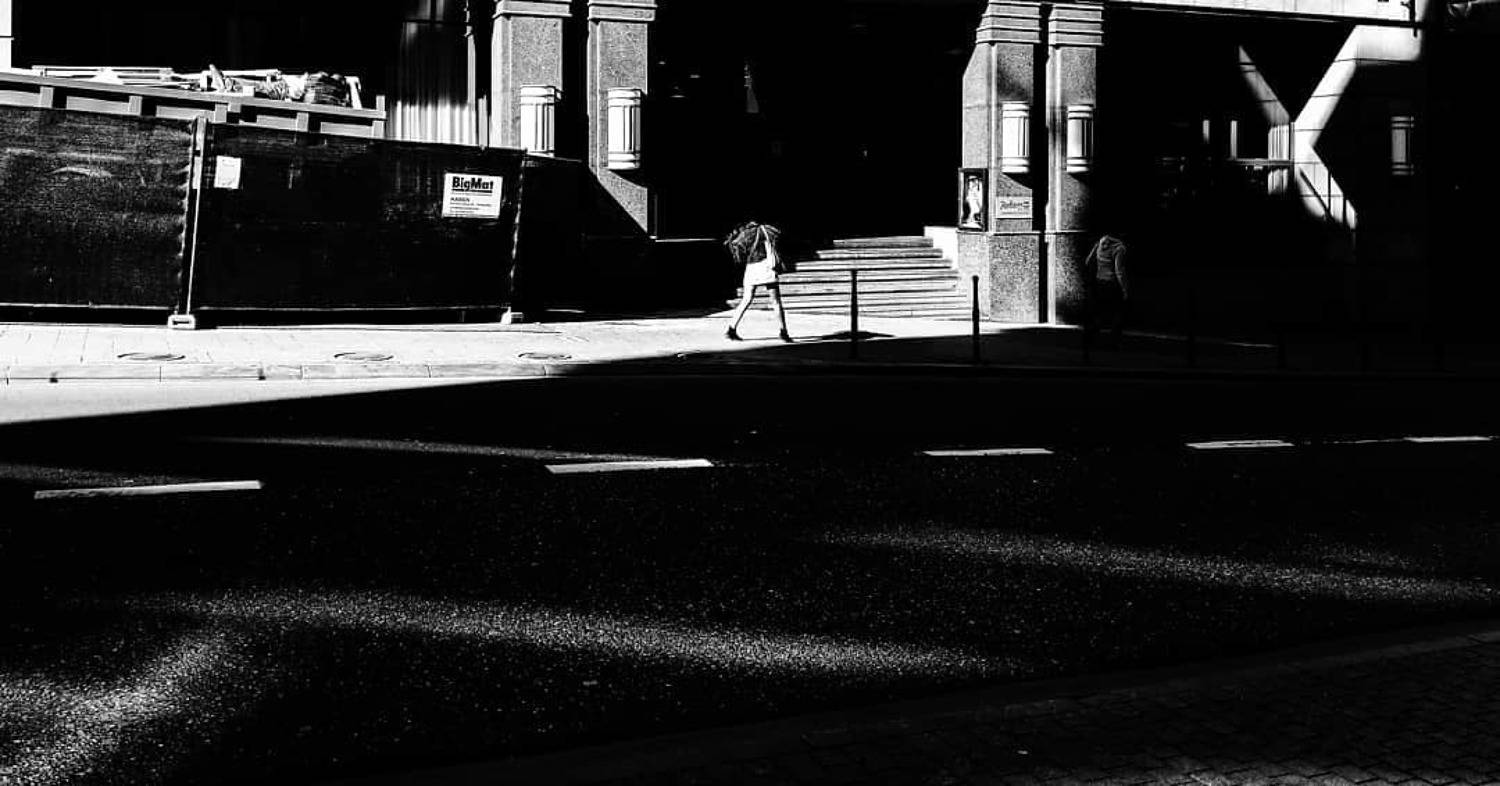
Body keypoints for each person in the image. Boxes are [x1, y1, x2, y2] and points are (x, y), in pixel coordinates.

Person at [724, 221, 792, 342]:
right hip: (766, 266)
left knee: (746, 299)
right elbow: (778, 238)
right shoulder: (766, 230)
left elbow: (737, 248)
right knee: (775, 301)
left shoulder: (745, 233)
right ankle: (783, 332)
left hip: (751, 268)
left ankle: (731, 328)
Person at [1083, 231, 1130, 349]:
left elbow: (1088, 261)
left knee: (1100, 312)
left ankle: (1090, 339)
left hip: (1100, 282)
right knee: (1117, 313)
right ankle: (1114, 342)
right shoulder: (1119, 248)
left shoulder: (1099, 243)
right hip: (1112, 284)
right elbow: (1119, 271)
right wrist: (1124, 289)